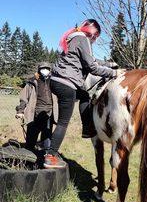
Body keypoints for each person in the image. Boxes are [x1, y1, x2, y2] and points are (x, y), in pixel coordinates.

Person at [44, 19, 121, 169]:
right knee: (63, 123)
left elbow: (90, 59)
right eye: (96, 36)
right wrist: (114, 72)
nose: (95, 40)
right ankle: (51, 156)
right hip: (67, 83)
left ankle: (87, 128)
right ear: (93, 32)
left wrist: (108, 64)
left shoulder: (74, 37)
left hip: (56, 80)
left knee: (84, 96)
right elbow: (92, 66)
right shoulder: (83, 38)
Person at [16, 62, 57, 153]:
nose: (45, 70)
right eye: (43, 68)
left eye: (47, 68)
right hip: (34, 113)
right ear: (39, 70)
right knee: (31, 139)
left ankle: (45, 157)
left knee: (47, 139)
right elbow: (24, 98)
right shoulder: (32, 82)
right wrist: (20, 110)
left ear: (50, 70)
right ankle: (28, 157)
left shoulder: (54, 82)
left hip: (49, 113)